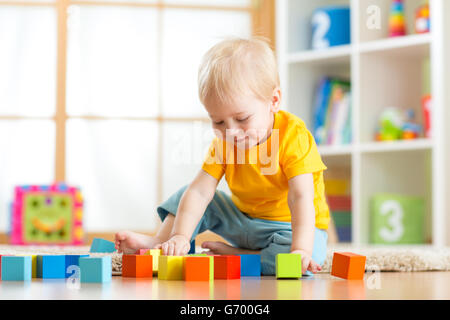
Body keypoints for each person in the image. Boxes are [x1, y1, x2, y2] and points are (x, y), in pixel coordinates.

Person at [115, 37, 330, 276]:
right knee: (190, 193)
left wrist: (300, 249)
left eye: (242, 119)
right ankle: (161, 243)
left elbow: (301, 197)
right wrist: (181, 236)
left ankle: (242, 256)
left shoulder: (293, 136)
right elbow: (200, 191)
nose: (231, 131)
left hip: (289, 227)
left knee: (305, 258)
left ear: (274, 101)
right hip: (243, 220)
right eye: (218, 121)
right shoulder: (224, 142)